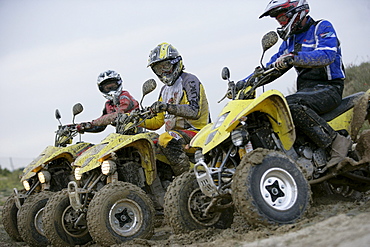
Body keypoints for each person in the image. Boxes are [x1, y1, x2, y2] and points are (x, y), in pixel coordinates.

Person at [244, 0, 350, 167]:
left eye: (283, 18)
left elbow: (327, 55)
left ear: (297, 12)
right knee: (269, 112)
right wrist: (245, 83)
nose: (281, 23)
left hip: (329, 88)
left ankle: (336, 143)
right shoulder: (290, 41)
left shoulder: (321, 27)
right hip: (307, 92)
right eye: (278, 20)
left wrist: (294, 58)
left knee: (290, 105)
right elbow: (271, 66)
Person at [142, 42, 210, 176]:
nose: (162, 72)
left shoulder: (189, 81)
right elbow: (158, 121)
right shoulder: (164, 90)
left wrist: (167, 107)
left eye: (165, 66)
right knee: (148, 141)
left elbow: (194, 111)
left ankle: (188, 177)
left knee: (165, 138)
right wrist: (138, 120)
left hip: (198, 132)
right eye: (158, 69)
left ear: (176, 62)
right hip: (177, 136)